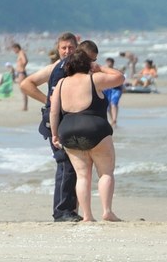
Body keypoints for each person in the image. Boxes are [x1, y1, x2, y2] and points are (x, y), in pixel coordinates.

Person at [49, 46, 125, 222]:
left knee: (82, 176)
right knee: (106, 172)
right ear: (88, 64)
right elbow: (120, 77)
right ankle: (107, 211)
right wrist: (100, 68)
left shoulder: (61, 83)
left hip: (67, 131)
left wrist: (54, 134)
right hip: (95, 129)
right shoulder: (93, 79)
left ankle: (87, 216)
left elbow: (54, 112)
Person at [20, 32, 82, 222]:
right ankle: (62, 211)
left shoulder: (77, 67)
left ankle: (70, 209)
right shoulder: (56, 67)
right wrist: (49, 101)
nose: (67, 51)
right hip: (56, 122)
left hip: (68, 120)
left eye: (70, 47)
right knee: (65, 165)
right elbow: (26, 84)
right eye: (63, 48)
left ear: (76, 48)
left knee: (74, 166)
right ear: (58, 49)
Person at [100, 57, 124, 127]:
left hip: (116, 89)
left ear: (112, 63)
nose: (109, 64)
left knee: (114, 104)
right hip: (106, 89)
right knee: (107, 105)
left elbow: (121, 80)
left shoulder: (116, 71)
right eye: (108, 62)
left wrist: (122, 89)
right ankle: (111, 119)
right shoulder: (103, 71)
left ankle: (114, 119)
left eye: (110, 62)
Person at [11, 43, 29, 110]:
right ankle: (25, 106)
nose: (14, 51)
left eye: (14, 49)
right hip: (20, 72)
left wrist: (22, 67)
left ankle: (25, 106)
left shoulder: (21, 52)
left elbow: (25, 61)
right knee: (22, 90)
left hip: (21, 73)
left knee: (23, 89)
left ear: (17, 48)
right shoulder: (20, 53)